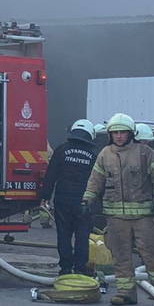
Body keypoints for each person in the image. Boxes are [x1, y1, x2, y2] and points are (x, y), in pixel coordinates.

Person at [82, 112, 154, 305]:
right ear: (110, 134)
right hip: (116, 217)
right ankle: (126, 293)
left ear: (131, 133)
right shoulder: (105, 154)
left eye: (122, 132)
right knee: (120, 255)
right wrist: (87, 200)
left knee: (151, 251)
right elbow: (95, 180)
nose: (119, 136)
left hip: (144, 216)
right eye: (115, 133)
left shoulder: (145, 152)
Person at [40, 118, 99, 275]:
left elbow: (51, 175)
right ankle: (80, 268)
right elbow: (99, 180)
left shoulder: (61, 150)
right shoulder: (94, 154)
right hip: (84, 201)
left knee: (64, 235)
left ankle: (65, 268)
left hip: (62, 200)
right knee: (82, 235)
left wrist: (45, 195)